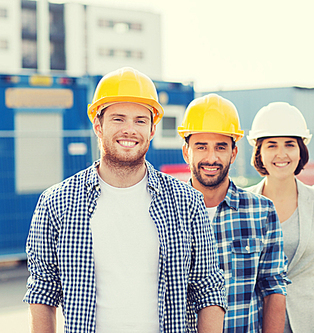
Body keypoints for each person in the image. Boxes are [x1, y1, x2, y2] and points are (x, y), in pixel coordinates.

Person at [23, 67, 226, 333]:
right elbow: (43, 290)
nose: (130, 130)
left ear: (152, 130)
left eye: (140, 120)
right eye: (119, 119)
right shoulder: (57, 202)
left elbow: (208, 289)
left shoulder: (187, 202)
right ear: (98, 125)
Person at [178, 94, 289, 333]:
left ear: (234, 153)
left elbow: (274, 288)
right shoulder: (168, 213)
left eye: (220, 147)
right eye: (201, 147)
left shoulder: (262, 212)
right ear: (186, 152)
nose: (211, 158)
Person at [245, 102, 314, 333]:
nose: (281, 154)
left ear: (300, 151)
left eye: (289, 145)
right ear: (259, 153)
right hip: (259, 323)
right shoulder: (243, 204)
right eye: (271, 145)